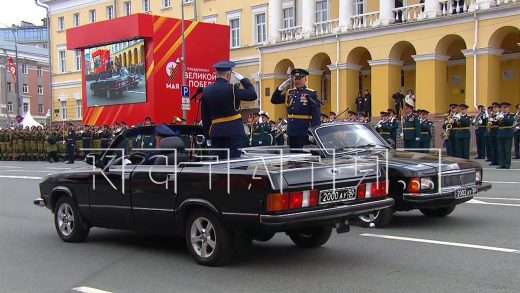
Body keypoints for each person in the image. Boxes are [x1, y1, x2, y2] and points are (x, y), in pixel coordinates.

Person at [201, 60, 258, 159]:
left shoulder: (206, 90)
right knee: (233, 164)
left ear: (216, 74)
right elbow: (252, 95)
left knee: (218, 164)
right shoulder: (232, 89)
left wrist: (208, 136)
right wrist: (243, 79)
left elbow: (205, 117)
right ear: (228, 75)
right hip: (233, 131)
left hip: (216, 131)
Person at [271, 68, 321, 149]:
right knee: (292, 156)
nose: (297, 81)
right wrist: (281, 88)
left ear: (305, 79)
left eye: (300, 79)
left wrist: (314, 132)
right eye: (295, 79)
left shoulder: (311, 93)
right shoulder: (290, 92)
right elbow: (274, 100)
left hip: (304, 131)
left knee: (303, 157)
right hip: (291, 131)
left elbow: (316, 113)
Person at [497, 102, 515, 169]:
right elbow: (495, 123)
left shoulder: (511, 115)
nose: (504, 109)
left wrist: (502, 118)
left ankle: (507, 164)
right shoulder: (499, 115)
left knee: (507, 150)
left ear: (508, 108)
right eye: (503, 108)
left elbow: (510, 122)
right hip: (500, 134)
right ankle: (502, 164)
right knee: (501, 150)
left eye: (505, 108)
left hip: (508, 134)